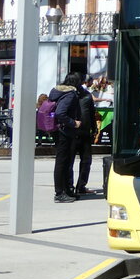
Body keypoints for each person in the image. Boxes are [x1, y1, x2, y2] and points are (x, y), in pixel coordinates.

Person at [47, 73, 83, 203]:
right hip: (64, 132)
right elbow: (60, 113)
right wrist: (74, 123)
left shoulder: (58, 92)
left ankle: (66, 190)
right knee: (62, 162)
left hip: (60, 131)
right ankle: (60, 192)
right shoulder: (70, 94)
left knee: (65, 161)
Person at [73, 76, 98, 196]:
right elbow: (91, 114)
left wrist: (94, 128)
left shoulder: (84, 96)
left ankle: (75, 185)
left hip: (77, 131)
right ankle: (79, 186)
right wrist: (94, 128)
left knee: (82, 160)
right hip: (81, 131)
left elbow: (91, 113)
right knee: (85, 160)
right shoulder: (86, 95)